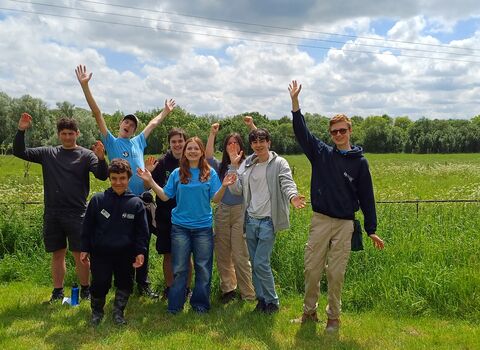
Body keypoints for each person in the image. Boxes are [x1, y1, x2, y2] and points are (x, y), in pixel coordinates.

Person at [288, 80, 385, 332]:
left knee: (336, 273)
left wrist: (371, 228)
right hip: (320, 220)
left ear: (350, 130)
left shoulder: (360, 163)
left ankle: (333, 317)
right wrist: (295, 104)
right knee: (311, 269)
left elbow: (367, 197)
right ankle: (309, 313)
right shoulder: (321, 153)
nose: (339, 135)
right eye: (335, 132)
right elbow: (302, 134)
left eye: (343, 130)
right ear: (331, 134)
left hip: (344, 224)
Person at [76, 64, 175, 298]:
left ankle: (144, 283)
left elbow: (153, 124)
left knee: (143, 242)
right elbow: (98, 114)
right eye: (126, 122)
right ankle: (123, 283)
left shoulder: (138, 142)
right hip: (119, 200)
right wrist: (85, 86)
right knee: (123, 241)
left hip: (143, 200)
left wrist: (165, 112)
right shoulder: (111, 141)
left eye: (132, 124)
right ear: (120, 123)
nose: (128, 125)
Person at [13, 112, 108, 303]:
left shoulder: (86, 155)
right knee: (57, 254)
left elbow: (102, 176)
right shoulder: (48, 153)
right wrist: (21, 131)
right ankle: (57, 292)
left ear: (77, 134)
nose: (67, 137)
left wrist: (101, 158)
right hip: (53, 213)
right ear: (59, 135)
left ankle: (86, 290)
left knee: (81, 255)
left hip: (77, 213)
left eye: (70, 133)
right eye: (63, 133)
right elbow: (19, 152)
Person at [137, 137, 236, 314]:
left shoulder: (209, 172)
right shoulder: (177, 173)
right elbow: (166, 196)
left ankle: (200, 306)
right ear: (185, 152)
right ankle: (175, 306)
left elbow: (215, 199)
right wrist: (151, 181)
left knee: (203, 268)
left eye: (196, 149)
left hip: (203, 228)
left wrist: (225, 186)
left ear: (201, 152)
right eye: (189, 149)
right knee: (180, 269)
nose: (192, 151)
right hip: (180, 228)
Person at [229, 128, 306, 314]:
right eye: (254, 142)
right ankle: (261, 301)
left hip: (268, 222)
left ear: (269, 143)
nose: (258, 145)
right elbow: (236, 190)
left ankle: (272, 302)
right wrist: (233, 166)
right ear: (251, 145)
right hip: (251, 220)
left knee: (261, 262)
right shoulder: (248, 164)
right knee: (255, 262)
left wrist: (293, 196)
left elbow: (287, 182)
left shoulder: (279, 163)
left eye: (262, 141)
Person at [81, 159, 149, 326]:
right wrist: (84, 248)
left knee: (125, 283)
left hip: (126, 254)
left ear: (128, 179)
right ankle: (97, 312)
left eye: (122, 178)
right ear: (109, 179)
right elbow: (87, 227)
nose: (118, 182)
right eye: (114, 178)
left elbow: (142, 233)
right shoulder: (98, 200)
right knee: (100, 283)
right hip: (101, 253)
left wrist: (140, 252)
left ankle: (118, 313)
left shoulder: (136, 203)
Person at [204, 116, 257, 303]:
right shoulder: (220, 166)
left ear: (241, 146)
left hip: (241, 212)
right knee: (223, 252)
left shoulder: (249, 164)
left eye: (236, 143)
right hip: (223, 210)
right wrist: (212, 134)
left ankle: (248, 293)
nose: (232, 146)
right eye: (229, 143)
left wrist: (251, 126)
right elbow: (207, 156)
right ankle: (228, 290)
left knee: (241, 254)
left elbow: (259, 146)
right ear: (225, 147)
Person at [145, 128, 193, 300]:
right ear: (169, 144)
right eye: (173, 142)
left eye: (180, 141)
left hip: (188, 216)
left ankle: (187, 289)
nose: (177, 144)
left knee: (187, 255)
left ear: (185, 142)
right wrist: (148, 174)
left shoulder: (192, 161)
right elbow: (147, 187)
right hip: (165, 216)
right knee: (168, 254)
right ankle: (170, 288)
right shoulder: (162, 163)